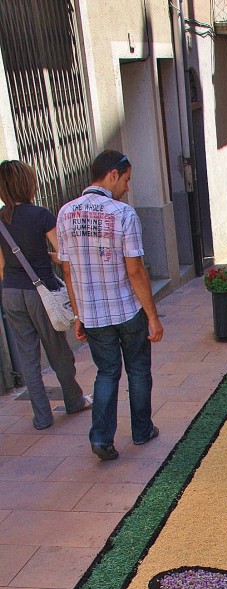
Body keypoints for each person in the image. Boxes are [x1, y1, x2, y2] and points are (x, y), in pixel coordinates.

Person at [57, 150, 163, 461]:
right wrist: (153, 317)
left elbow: (67, 270)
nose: (128, 187)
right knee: (139, 369)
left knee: (106, 372)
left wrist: (78, 315)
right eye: (127, 179)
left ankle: (102, 439)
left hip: (92, 313)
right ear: (112, 175)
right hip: (127, 309)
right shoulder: (124, 214)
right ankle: (142, 430)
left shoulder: (65, 213)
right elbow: (135, 270)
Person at [0, 160, 90, 431]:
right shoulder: (40, 215)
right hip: (41, 294)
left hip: (11, 293)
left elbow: (2, 267)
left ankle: (42, 417)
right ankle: (74, 400)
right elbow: (64, 256)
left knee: (27, 357)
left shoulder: (1, 220)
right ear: (27, 183)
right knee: (57, 350)